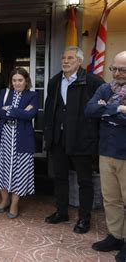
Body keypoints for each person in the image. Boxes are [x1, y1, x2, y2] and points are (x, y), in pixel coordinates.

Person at [43, 46, 104, 234]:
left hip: (81, 140)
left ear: (79, 61)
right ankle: (62, 212)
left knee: (84, 181)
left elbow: (101, 109)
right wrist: (48, 136)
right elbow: (48, 111)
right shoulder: (54, 82)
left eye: (70, 58)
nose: (65, 61)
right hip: (59, 139)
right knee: (60, 177)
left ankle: (84, 218)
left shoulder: (92, 81)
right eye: (63, 57)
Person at [85, 51, 126, 262]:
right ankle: (116, 236)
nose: (117, 73)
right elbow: (90, 109)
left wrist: (105, 110)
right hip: (106, 150)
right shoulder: (105, 88)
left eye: (122, 70)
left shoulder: (106, 92)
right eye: (114, 69)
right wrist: (118, 108)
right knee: (111, 199)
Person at [0, 68, 38, 218]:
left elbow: (31, 114)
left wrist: (10, 110)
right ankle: (4, 200)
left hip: (22, 140)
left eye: (20, 80)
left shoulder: (33, 95)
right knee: (2, 170)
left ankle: (14, 204)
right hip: (3, 138)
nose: (17, 83)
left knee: (20, 173)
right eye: (14, 80)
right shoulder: (5, 93)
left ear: (26, 81)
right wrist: (20, 111)